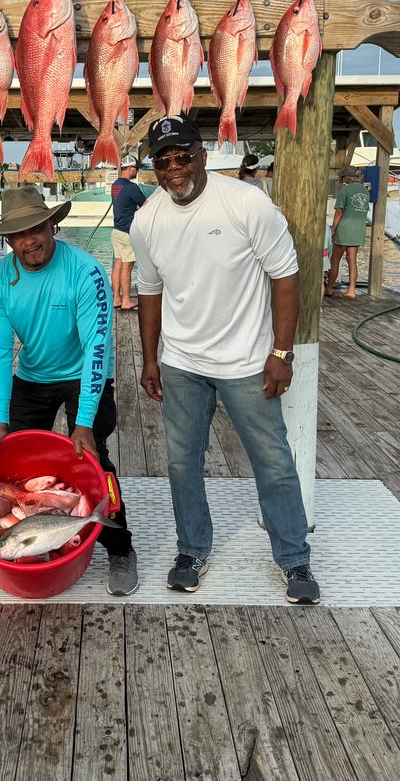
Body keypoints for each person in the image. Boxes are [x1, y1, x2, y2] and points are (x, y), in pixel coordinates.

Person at [129, 115, 320, 605]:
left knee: (273, 462)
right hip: (181, 362)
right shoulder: (147, 219)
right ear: (153, 167)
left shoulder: (246, 203)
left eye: (183, 156)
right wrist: (150, 359)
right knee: (180, 462)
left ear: (203, 155)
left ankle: (295, 558)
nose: (175, 168)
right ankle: (192, 549)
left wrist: (282, 352)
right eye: (163, 160)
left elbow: (286, 277)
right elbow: (149, 293)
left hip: (246, 362)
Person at [0, 187, 139, 596]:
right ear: (7, 240)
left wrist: (82, 423)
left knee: (93, 456)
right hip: (32, 377)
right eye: (17, 233)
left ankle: (120, 548)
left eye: (37, 227)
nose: (29, 240)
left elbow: (95, 348)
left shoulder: (85, 270)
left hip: (87, 373)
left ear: (53, 225)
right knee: (21, 463)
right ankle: (40, 540)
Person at [109, 155, 146, 311]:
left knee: (118, 264)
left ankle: (116, 299)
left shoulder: (115, 185)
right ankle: (126, 301)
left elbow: (124, 203)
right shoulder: (132, 187)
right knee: (127, 266)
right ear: (130, 168)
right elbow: (146, 207)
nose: (137, 172)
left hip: (116, 230)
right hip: (127, 232)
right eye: (136, 169)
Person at [327, 167, 370, 299]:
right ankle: (351, 290)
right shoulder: (365, 191)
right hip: (359, 229)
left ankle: (329, 288)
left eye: (344, 177)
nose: (343, 180)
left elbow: (339, 211)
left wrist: (333, 229)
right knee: (352, 260)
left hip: (345, 228)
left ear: (348, 178)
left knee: (335, 260)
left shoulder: (345, 189)